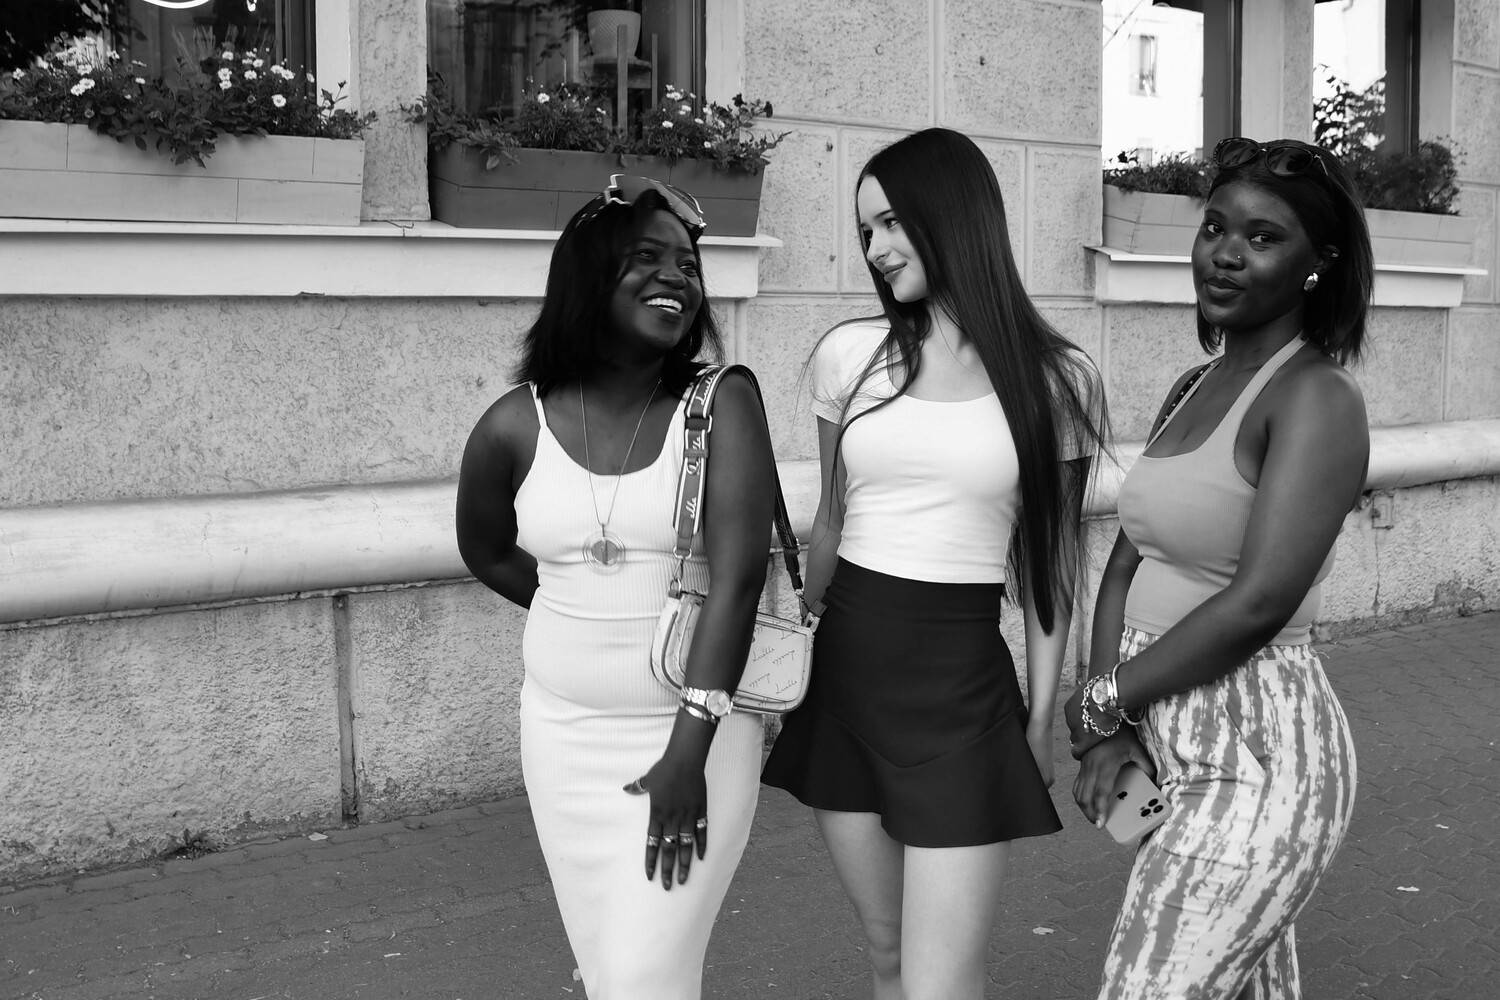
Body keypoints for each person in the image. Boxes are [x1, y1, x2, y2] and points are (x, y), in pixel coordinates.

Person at [761, 127, 1108, 1000]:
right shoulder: (850, 357)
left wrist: (1039, 717)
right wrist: (788, 661)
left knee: (939, 984)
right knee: (887, 958)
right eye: (865, 230)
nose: (875, 249)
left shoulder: (1058, 379)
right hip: (845, 681)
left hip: (963, 696)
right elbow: (831, 520)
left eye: (890, 223)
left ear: (951, 215)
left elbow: (1052, 564)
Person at [454, 175, 776, 1000]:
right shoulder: (513, 424)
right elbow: (485, 550)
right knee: (615, 975)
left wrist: (688, 751)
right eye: (647, 258)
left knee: (639, 978)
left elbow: (739, 579)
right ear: (589, 277)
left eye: (689, 265)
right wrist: (579, 614)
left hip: (692, 738)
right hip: (562, 739)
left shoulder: (721, 404)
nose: (676, 277)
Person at [1065, 136, 1372, 1000]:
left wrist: (1103, 698)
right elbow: (1124, 562)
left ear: (1318, 263)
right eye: (1214, 228)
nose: (1226, 254)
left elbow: (1260, 601)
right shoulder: (1193, 384)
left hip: (1257, 753)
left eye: (1263, 237)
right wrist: (1105, 723)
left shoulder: (1316, 397)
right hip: (1156, 739)